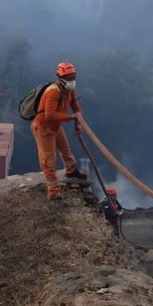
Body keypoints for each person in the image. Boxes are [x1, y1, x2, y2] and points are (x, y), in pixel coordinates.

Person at [32, 62, 87, 202]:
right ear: (61, 77)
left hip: (56, 126)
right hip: (44, 128)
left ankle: (71, 171)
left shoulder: (69, 89)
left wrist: (78, 120)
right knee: (49, 162)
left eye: (73, 76)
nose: (71, 80)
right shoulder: (53, 91)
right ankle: (54, 193)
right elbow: (49, 115)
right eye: (68, 77)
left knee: (66, 151)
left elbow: (75, 105)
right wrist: (70, 117)